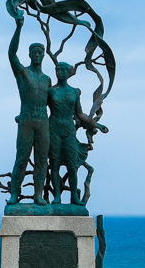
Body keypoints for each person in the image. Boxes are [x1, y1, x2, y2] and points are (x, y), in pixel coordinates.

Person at [6, 13, 51, 205]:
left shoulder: (47, 79)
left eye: (40, 52)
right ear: (30, 55)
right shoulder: (23, 73)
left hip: (43, 122)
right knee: (21, 159)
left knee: (42, 160)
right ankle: (14, 193)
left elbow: (55, 104)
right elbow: (11, 54)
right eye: (34, 52)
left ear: (43, 55)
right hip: (26, 120)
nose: (37, 55)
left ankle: (38, 195)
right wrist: (19, 27)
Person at [47, 62, 105, 205]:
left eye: (62, 70)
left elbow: (79, 114)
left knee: (72, 166)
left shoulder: (74, 92)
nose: (59, 72)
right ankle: (57, 196)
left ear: (68, 72)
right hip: (53, 129)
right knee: (54, 164)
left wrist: (96, 124)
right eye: (57, 69)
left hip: (68, 130)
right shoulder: (51, 91)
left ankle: (74, 196)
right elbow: (40, 109)